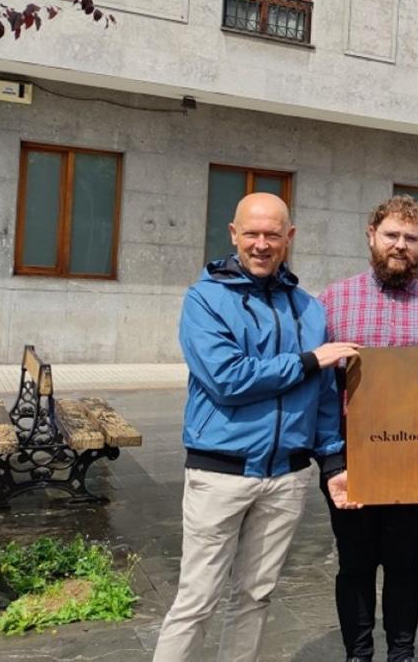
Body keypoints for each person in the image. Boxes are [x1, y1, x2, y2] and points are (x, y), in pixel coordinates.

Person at [154, 192, 361, 662]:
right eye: (252, 233)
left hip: (286, 478)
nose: (262, 244)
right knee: (196, 601)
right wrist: (308, 361)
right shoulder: (204, 299)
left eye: (273, 234)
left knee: (255, 597)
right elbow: (227, 379)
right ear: (234, 234)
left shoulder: (309, 308)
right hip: (220, 474)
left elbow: (324, 397)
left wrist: (333, 463)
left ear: (289, 238)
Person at [319, 195, 418, 662]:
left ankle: (402, 652)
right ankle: (358, 654)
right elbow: (320, 390)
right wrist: (331, 461)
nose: (400, 245)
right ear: (371, 235)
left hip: (416, 463)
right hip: (351, 459)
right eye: (391, 235)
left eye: (411, 238)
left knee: (404, 562)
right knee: (355, 564)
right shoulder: (333, 302)